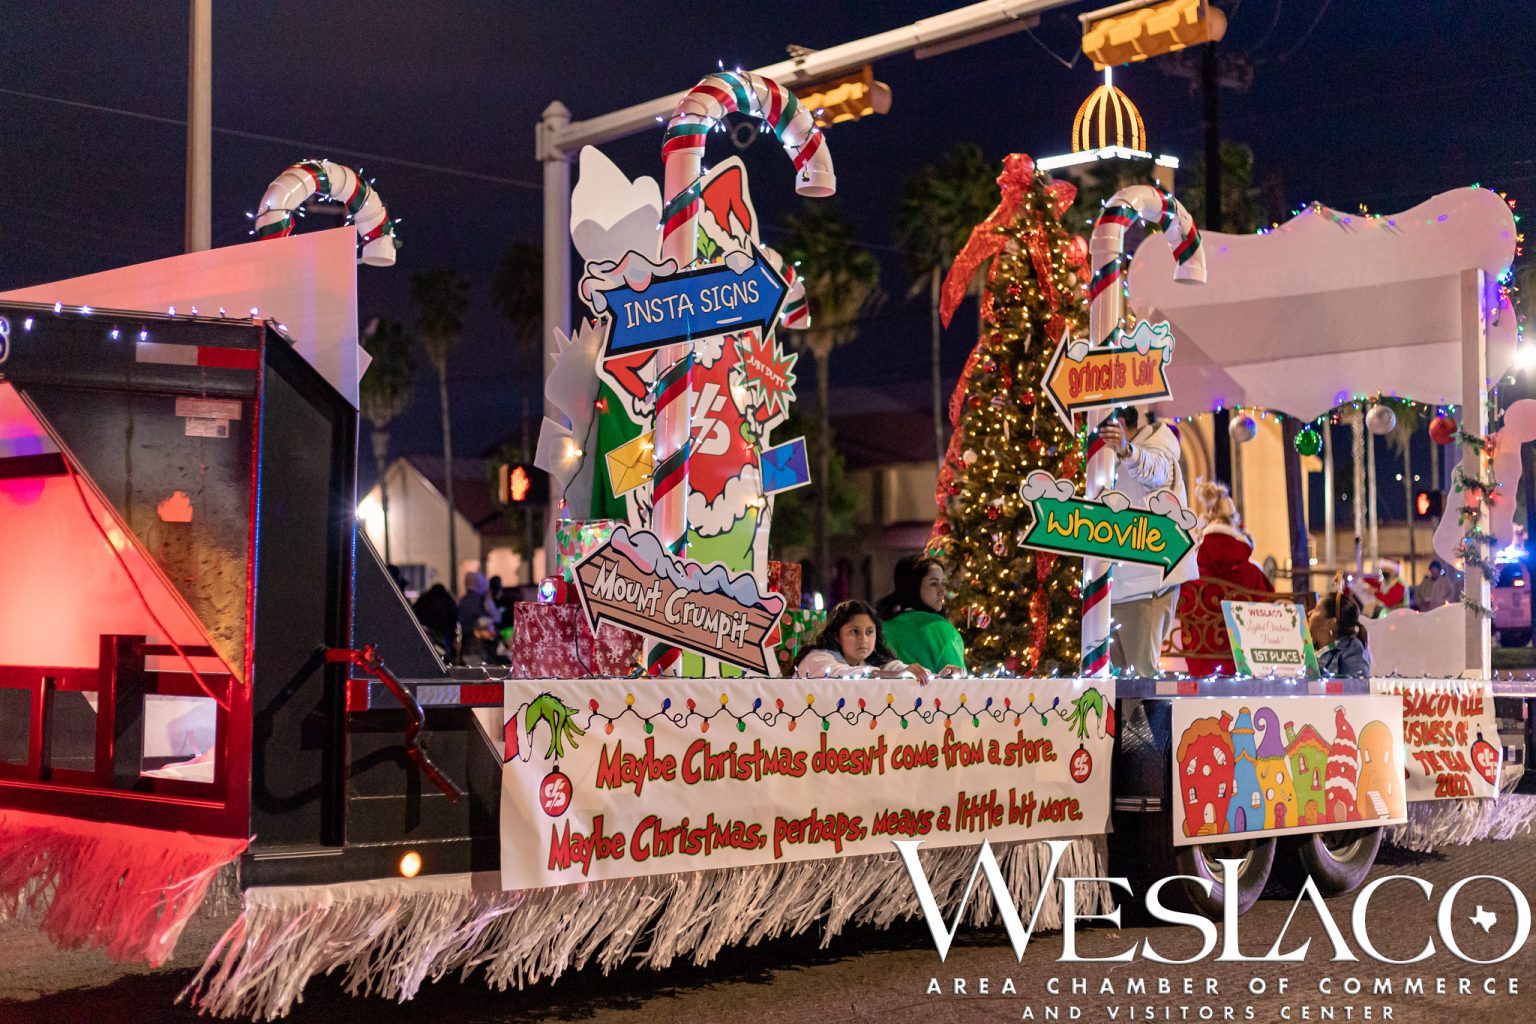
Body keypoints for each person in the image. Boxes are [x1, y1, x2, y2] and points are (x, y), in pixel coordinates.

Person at [1096, 407, 1197, 676]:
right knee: (1116, 679)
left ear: (1118, 424)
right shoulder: (1106, 457)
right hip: (1114, 584)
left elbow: (1155, 470)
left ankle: (1147, 721)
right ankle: (1127, 720)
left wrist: (1128, 451)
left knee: (1141, 676)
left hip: (1148, 584)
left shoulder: (1159, 447)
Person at [1178, 481, 1273, 676]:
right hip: (1243, 669)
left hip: (1199, 666)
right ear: (1234, 522)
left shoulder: (1190, 572)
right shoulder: (1253, 574)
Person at [795, 600, 937, 683]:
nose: (863, 639)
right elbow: (839, 674)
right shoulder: (816, 659)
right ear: (837, 635)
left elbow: (899, 669)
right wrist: (889, 675)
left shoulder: (873, 663)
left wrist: (941, 677)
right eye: (854, 632)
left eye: (869, 632)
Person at [879, 555, 966, 675]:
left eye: (943, 583)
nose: (942, 591)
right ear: (913, 586)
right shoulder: (942, 629)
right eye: (934, 584)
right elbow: (958, 685)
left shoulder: (880, 629)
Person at [1309, 591, 1371, 678]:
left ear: (1329, 623)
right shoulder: (1307, 647)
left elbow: (1356, 688)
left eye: (1316, 609)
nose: (1309, 613)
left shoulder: (1352, 650)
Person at [412, 583, 458, 659]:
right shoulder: (447, 600)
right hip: (444, 633)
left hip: (427, 631)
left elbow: (415, 613)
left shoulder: (425, 599)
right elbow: (454, 616)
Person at [457, 571, 500, 642]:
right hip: (477, 642)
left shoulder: (463, 600)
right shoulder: (480, 601)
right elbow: (496, 619)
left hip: (466, 640)